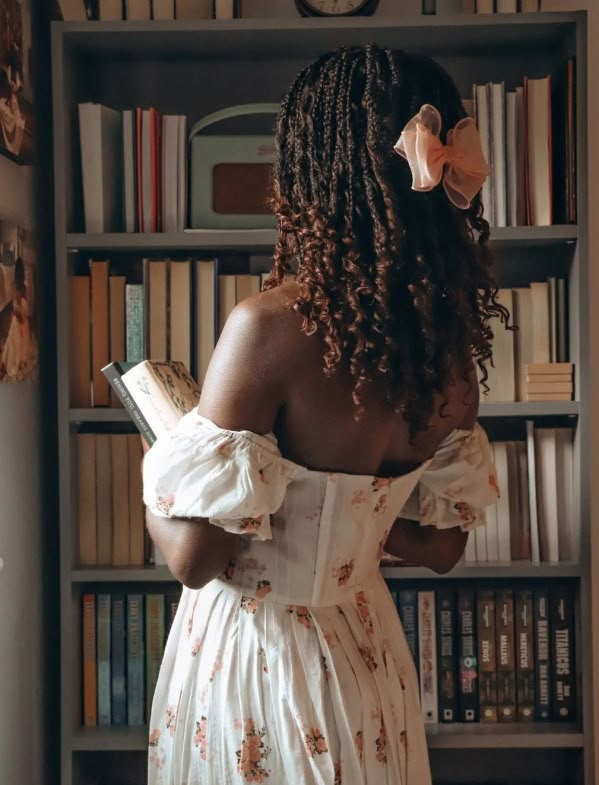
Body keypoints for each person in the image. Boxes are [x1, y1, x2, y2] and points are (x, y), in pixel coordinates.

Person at [143, 44, 506, 785]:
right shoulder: (449, 358)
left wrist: (163, 460)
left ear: (315, 170)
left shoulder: (268, 329)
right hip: (363, 656)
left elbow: (195, 558)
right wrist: (341, 534)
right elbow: (440, 547)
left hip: (258, 667)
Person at [1, 257, 33, 382]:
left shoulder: (24, 289)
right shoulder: (16, 288)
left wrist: (18, 315)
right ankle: (5, 360)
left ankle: (7, 361)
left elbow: (26, 312)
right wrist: (15, 314)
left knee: (14, 329)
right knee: (12, 330)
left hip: (22, 323)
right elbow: (16, 308)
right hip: (19, 321)